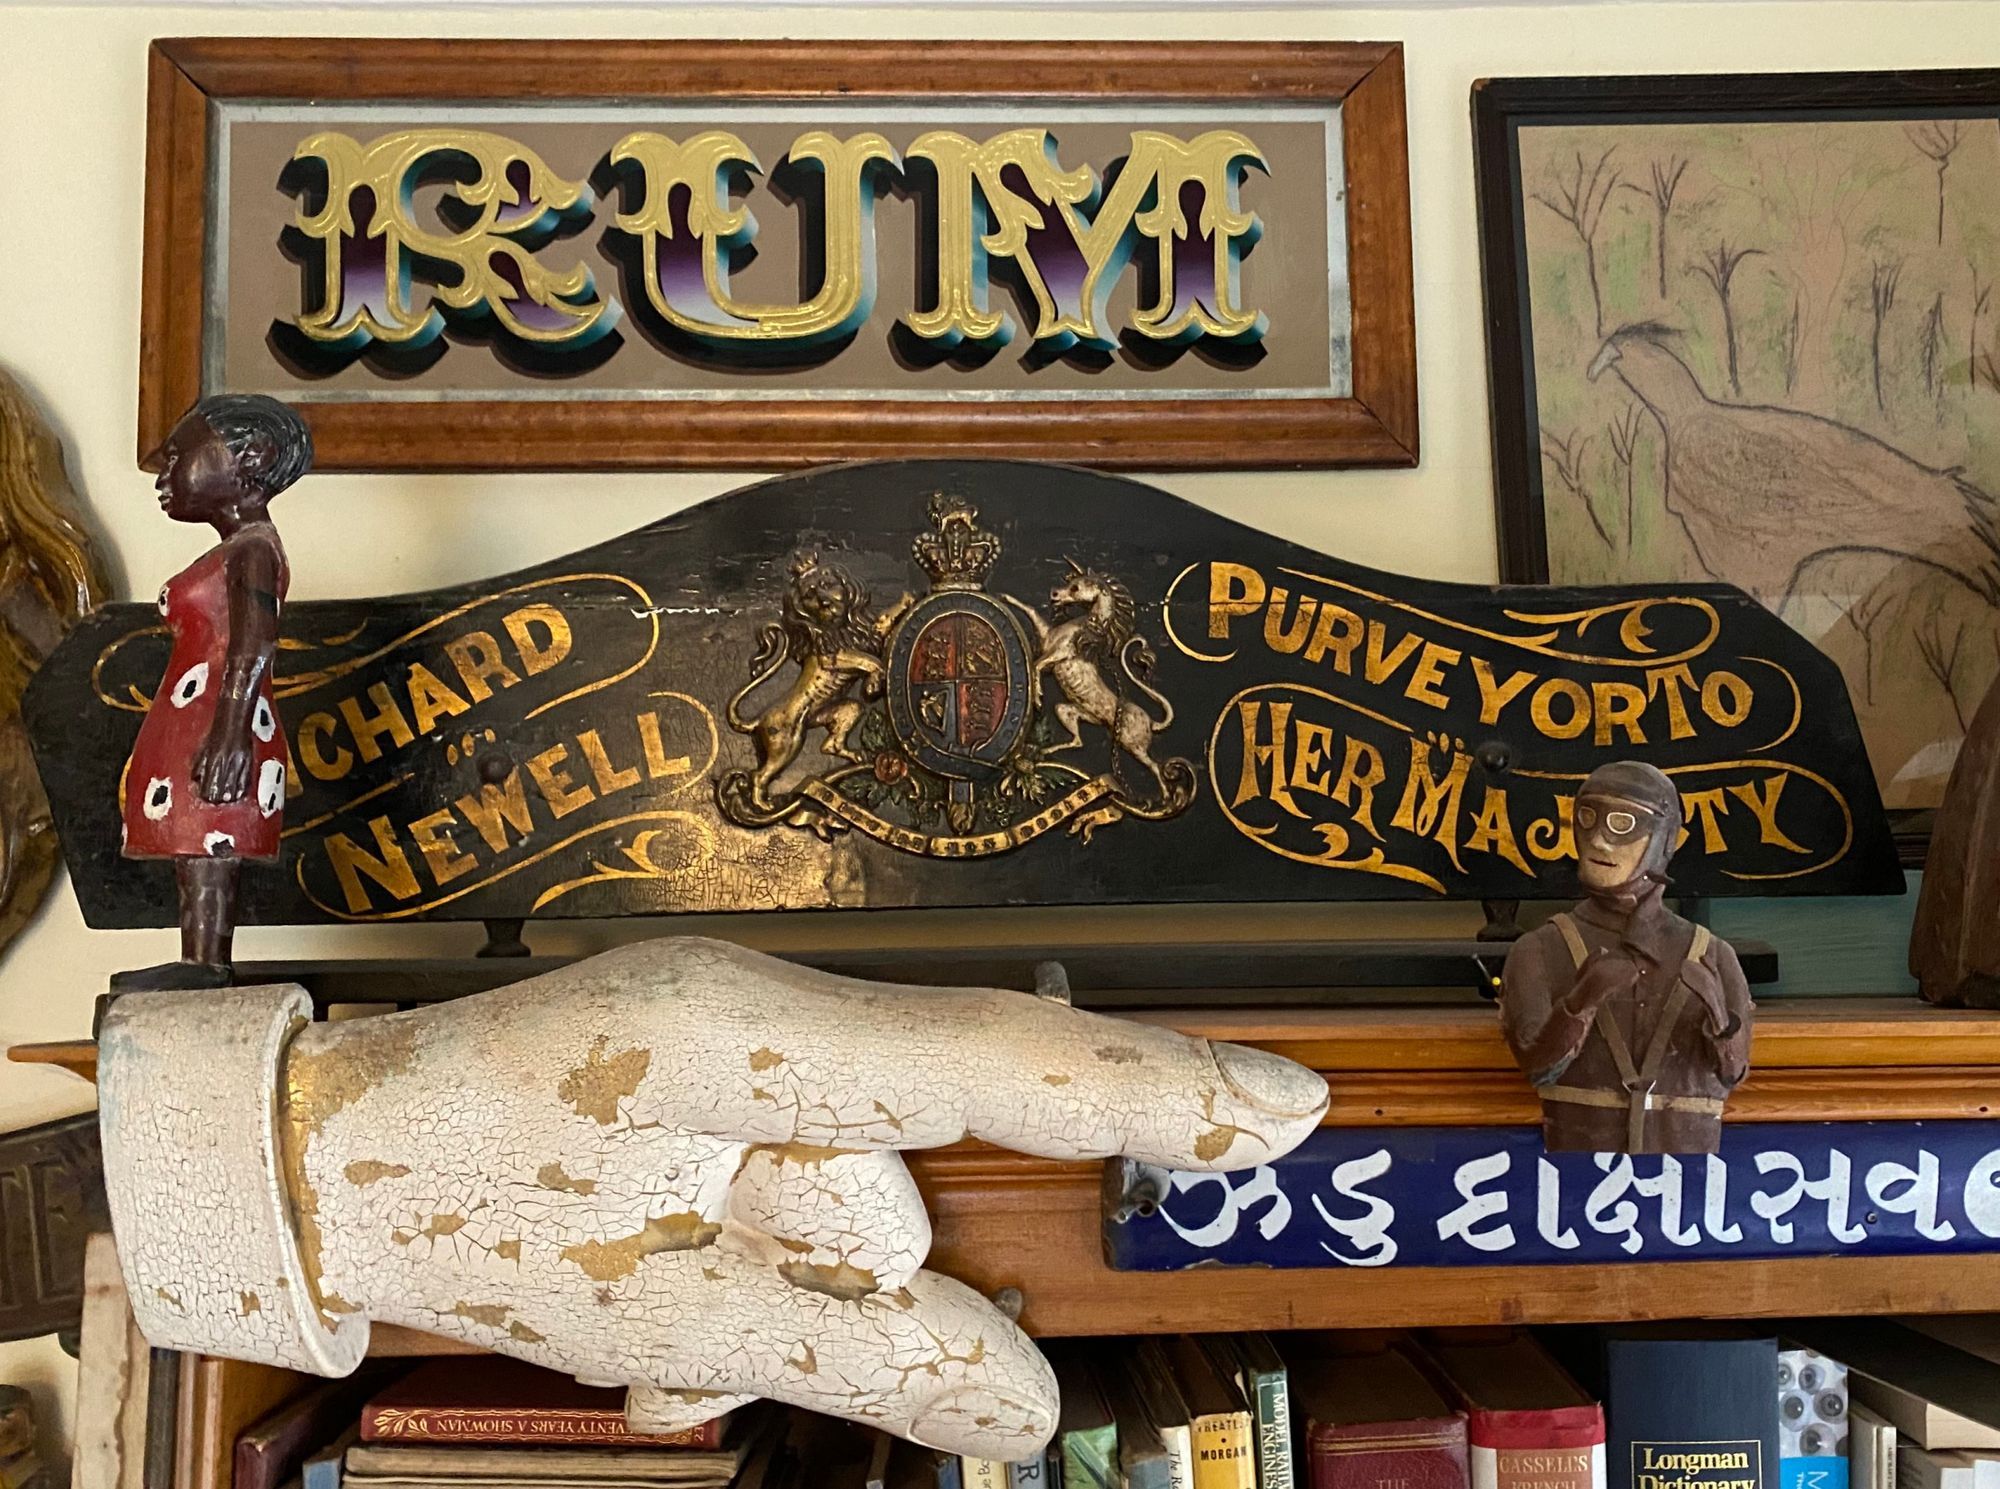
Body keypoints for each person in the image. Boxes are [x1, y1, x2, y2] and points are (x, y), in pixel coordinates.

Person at [121, 394, 309, 980]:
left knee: (209, 841)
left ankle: (207, 964)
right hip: (199, 712)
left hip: (219, 718)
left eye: (178, 455)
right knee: (196, 845)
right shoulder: (237, 549)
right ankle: (199, 958)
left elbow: (255, 642)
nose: (164, 471)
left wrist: (231, 732)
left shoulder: (253, 550)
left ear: (250, 456)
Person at [1498, 760, 1752, 1154]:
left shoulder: (1713, 954)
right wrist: (1581, 1003)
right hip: (1581, 1172)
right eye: (1587, 818)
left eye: (1623, 824)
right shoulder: (1539, 949)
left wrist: (1721, 1025)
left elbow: (1732, 1073)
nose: (1599, 840)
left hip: (1683, 1174)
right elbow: (1538, 1066)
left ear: (1666, 840)